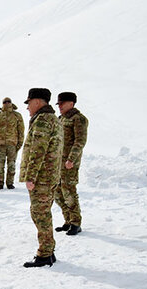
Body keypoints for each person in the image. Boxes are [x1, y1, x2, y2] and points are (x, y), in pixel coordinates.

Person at [19, 87, 63, 268]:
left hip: (42, 178)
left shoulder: (43, 121)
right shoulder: (53, 119)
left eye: (29, 103)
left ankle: (45, 254)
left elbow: (38, 150)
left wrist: (30, 177)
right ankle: (48, 251)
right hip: (49, 176)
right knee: (42, 213)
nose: (27, 107)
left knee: (40, 214)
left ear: (37, 101)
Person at [55, 91, 89, 236]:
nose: (59, 106)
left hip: (69, 164)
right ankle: (67, 220)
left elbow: (80, 141)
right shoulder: (61, 119)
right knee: (57, 193)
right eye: (58, 104)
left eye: (62, 103)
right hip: (57, 163)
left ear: (71, 103)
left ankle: (76, 222)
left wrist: (71, 159)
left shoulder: (78, 119)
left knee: (68, 191)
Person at [0, 97, 24, 190]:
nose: (7, 103)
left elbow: (21, 131)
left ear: (11, 103)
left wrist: (19, 144)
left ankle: (10, 183)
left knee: (11, 165)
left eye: (8, 102)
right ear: (2, 103)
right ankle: (0, 183)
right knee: (0, 165)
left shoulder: (17, 116)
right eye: (5, 102)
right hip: (0, 145)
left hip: (12, 144)